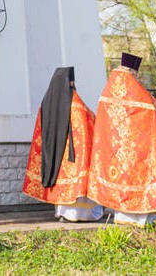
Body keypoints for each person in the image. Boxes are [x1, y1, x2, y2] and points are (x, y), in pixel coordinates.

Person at [87, 53, 156, 225]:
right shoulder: (135, 89)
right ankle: (139, 217)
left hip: (114, 148)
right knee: (136, 178)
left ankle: (121, 216)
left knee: (120, 178)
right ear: (132, 71)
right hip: (136, 146)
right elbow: (151, 109)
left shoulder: (108, 89)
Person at [22, 67, 102, 221]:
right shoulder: (75, 103)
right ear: (70, 82)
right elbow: (89, 122)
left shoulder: (46, 104)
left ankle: (62, 212)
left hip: (53, 155)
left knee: (59, 183)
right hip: (72, 154)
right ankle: (78, 215)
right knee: (74, 185)